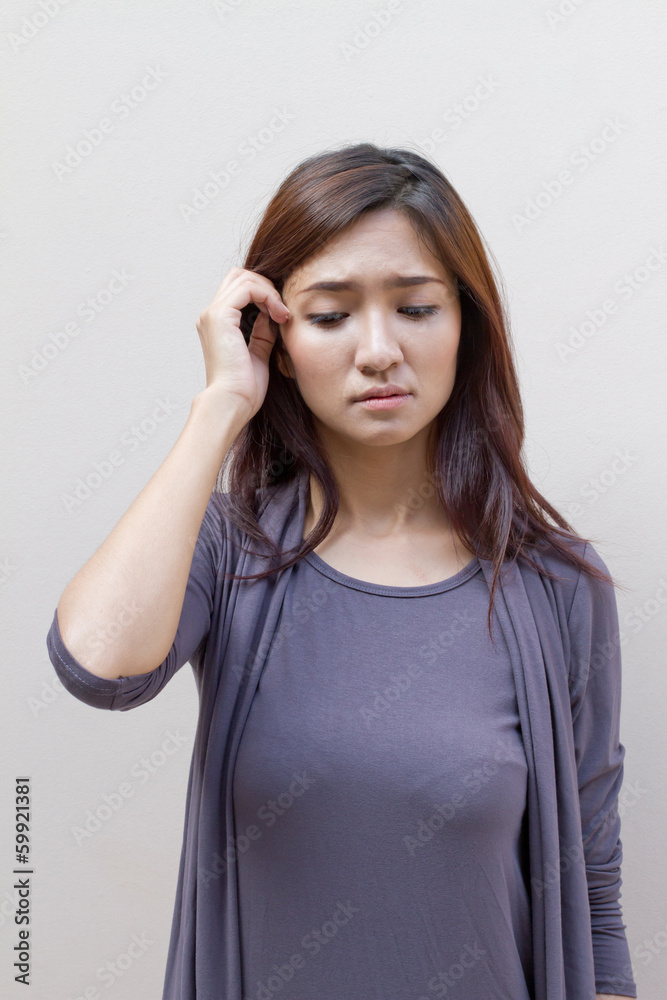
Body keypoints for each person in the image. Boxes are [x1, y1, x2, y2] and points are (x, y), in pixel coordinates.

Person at [47, 143, 637, 1000]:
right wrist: (219, 408)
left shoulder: (556, 585)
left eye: (415, 308)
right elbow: (98, 668)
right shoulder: (228, 551)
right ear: (275, 343)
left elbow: (592, 895)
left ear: (464, 324)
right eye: (328, 316)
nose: (378, 351)